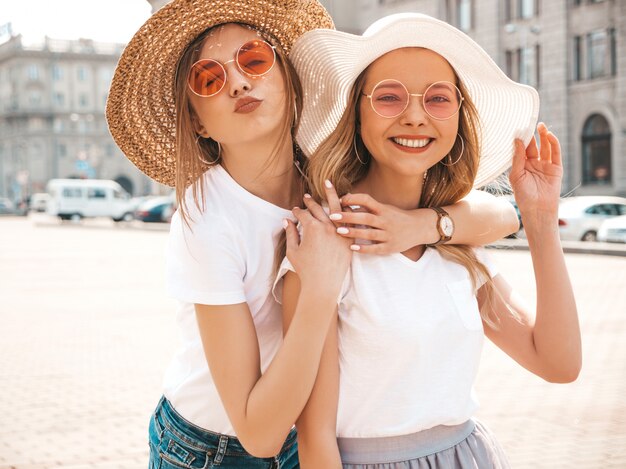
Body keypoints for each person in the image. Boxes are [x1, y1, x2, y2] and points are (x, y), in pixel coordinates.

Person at [106, 2, 519, 467]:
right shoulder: (207, 220)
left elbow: (501, 215)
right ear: (198, 120)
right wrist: (320, 291)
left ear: (287, 76)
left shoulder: (326, 172)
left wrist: (423, 225)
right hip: (215, 446)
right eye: (209, 79)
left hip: (306, 433)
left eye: (254, 60)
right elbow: (256, 433)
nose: (239, 82)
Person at [277, 13, 582, 468]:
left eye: (438, 99)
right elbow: (315, 437)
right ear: (355, 113)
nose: (415, 116)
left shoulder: (454, 242)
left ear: (459, 115)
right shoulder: (327, 242)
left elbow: (558, 363)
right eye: (388, 97)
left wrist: (539, 221)